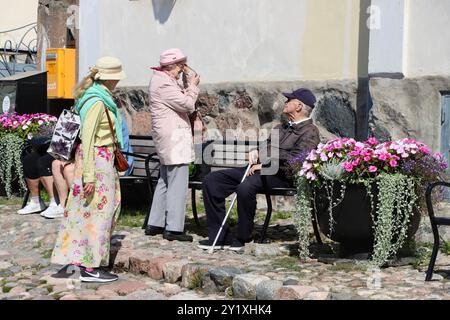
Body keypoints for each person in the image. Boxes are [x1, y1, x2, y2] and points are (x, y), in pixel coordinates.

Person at [198, 88, 321, 252]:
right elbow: (266, 146)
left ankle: (243, 236)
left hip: (283, 175)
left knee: (246, 186)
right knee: (212, 181)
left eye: (289, 100)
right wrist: (256, 151)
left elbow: (297, 160)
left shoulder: (310, 131)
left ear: (298, 106)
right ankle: (220, 236)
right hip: (260, 171)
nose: (285, 102)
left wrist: (266, 165)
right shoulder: (280, 127)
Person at [50, 56, 126, 283]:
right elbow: (89, 139)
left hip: (96, 160)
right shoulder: (97, 102)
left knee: (83, 212)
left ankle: (76, 258)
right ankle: (90, 267)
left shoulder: (92, 96)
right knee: (100, 213)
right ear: (110, 79)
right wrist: (90, 176)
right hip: (98, 162)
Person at [144, 48, 200, 242]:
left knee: (165, 179)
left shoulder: (164, 80)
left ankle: (155, 223)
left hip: (168, 135)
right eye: (181, 65)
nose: (183, 69)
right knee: (178, 181)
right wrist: (193, 86)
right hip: (174, 137)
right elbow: (187, 104)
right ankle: (174, 228)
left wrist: (185, 82)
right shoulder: (164, 84)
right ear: (172, 66)